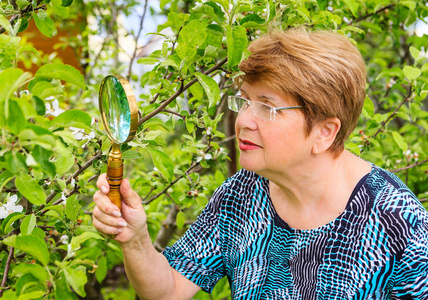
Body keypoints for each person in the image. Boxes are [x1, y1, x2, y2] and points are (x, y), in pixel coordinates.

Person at [93, 27, 428, 299]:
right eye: (244, 101)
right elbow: (169, 290)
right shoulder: (241, 195)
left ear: (325, 132)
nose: (243, 121)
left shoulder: (398, 224)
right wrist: (135, 238)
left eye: (267, 108)